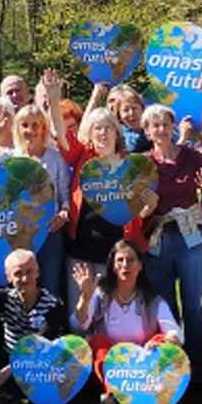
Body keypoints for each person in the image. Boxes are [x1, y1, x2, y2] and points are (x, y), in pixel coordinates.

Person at [137, 104, 202, 387]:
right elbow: (135, 208)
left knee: (197, 306)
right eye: (155, 125)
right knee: (164, 308)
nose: (161, 130)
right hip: (158, 238)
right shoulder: (142, 164)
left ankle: (201, 376)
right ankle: (171, 375)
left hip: (191, 236)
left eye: (165, 124)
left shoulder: (193, 157)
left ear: (173, 127)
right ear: (147, 131)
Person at [71, 240, 182, 404]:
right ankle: (113, 393)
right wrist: (85, 297)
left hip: (142, 362)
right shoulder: (100, 295)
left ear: (140, 266)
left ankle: (149, 390)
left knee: (161, 340)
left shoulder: (153, 300)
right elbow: (79, 324)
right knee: (98, 342)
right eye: (120, 260)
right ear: (113, 267)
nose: (125, 265)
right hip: (110, 362)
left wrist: (167, 340)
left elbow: (175, 332)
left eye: (130, 260)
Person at [60, 107, 144, 306]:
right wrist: (54, 98)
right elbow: (61, 136)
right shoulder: (82, 156)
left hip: (115, 252)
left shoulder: (131, 164)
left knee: (110, 312)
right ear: (89, 134)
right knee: (79, 312)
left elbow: (139, 208)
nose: (103, 133)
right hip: (80, 249)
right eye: (97, 128)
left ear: (117, 132)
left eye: (108, 128)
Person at [0, 69, 72, 297]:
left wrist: (63, 213)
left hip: (50, 233)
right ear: (18, 129)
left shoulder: (55, 158)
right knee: (20, 290)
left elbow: (65, 197)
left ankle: (50, 332)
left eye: (35, 125)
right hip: (19, 234)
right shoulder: (10, 160)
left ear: (43, 127)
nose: (30, 130)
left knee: (50, 288)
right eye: (25, 125)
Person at [0, 250, 67, 404]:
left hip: (35, 362)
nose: (25, 279)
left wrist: (3, 374)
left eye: (29, 272)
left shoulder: (53, 304)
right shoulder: (6, 297)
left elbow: (39, 346)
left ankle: (0, 391)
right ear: (8, 277)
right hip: (7, 357)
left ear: (38, 273)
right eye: (18, 273)